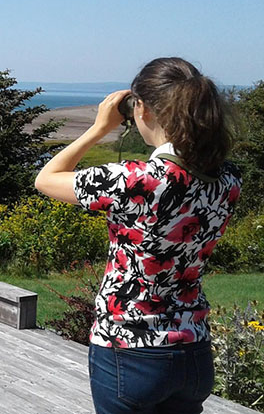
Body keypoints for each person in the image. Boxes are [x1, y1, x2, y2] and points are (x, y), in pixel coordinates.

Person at [34, 57, 242, 413]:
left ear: (142, 109)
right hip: (194, 350)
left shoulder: (135, 181)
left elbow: (45, 179)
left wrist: (99, 128)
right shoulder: (228, 181)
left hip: (129, 350)